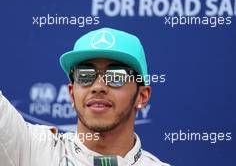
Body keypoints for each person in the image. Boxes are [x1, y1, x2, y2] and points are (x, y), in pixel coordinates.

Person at [0, 27, 170, 166]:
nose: (98, 87)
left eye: (116, 76)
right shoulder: (31, 148)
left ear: (142, 96)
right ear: (72, 93)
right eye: (85, 74)